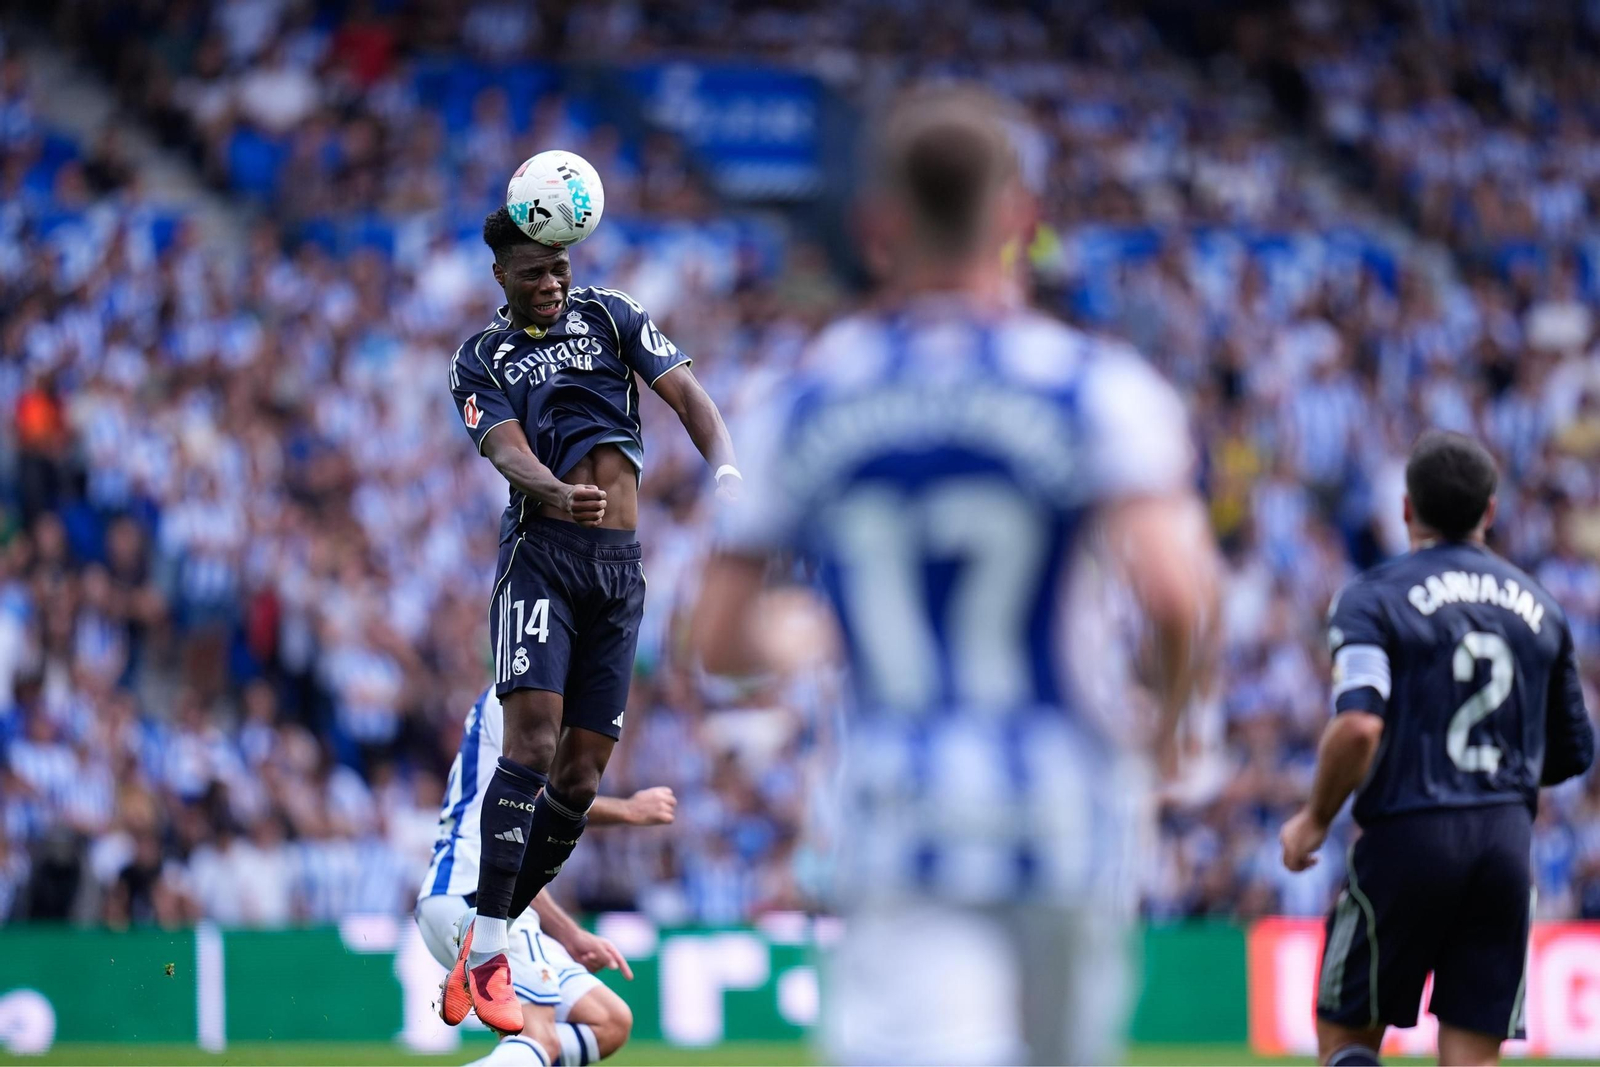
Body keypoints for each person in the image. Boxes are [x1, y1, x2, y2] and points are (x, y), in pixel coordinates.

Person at [690, 86, 1221, 1065]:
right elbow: (1178, 595)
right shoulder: (1091, 386)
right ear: (1019, 221)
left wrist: (806, 627)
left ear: (878, 227)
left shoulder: (801, 400)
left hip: (902, 811)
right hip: (1066, 810)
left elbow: (719, 640)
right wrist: (1167, 723)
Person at [446, 204, 739, 1033]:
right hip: (541, 554)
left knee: (578, 778)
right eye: (533, 271)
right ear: (500, 275)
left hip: (619, 572)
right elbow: (503, 447)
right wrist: (551, 491)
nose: (550, 281)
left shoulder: (611, 314)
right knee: (532, 745)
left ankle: (488, 933)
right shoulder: (480, 356)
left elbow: (687, 393)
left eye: (558, 267)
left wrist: (728, 472)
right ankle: (495, 943)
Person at [1281, 430, 1595, 1067]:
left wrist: (1314, 818)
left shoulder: (1371, 599)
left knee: (1345, 1036)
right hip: (1505, 845)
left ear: (1405, 509)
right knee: (1472, 1058)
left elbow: (1359, 726)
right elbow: (1572, 752)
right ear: (1491, 512)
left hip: (1406, 837)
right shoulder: (1542, 607)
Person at [418, 686, 679, 1066]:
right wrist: (630, 810)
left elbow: (520, 853)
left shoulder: (525, 700)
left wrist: (568, 932)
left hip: (481, 897)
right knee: (540, 1036)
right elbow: (541, 804)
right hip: (472, 896)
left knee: (609, 1022)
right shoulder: (514, 697)